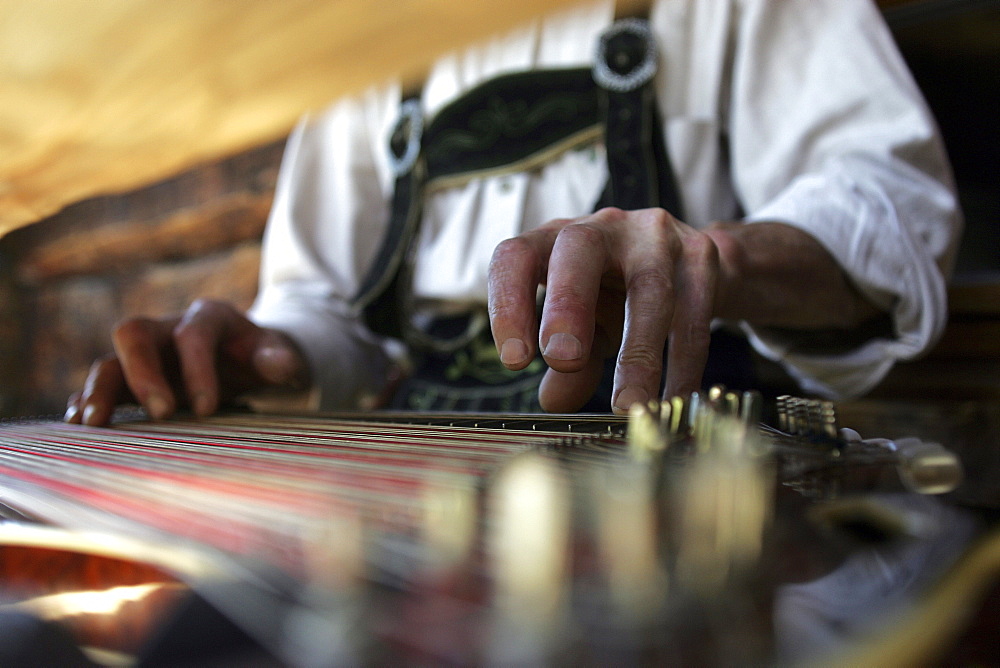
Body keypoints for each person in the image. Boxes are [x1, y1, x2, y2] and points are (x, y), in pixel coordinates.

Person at [65, 0, 961, 426]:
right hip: (405, 483)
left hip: (673, 470)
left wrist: (714, 259)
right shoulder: (364, 43)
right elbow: (323, 309)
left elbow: (884, 209)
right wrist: (268, 353)